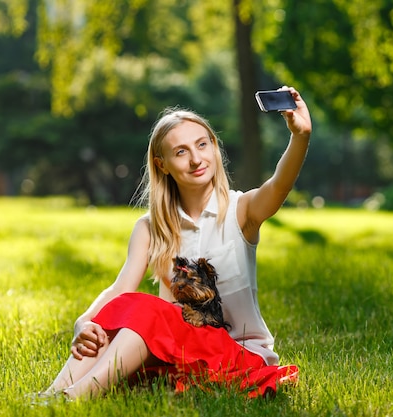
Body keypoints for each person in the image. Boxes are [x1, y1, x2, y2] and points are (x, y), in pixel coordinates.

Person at [43, 86, 312, 399]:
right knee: (122, 311)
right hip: (179, 353)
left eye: (202, 145)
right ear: (162, 165)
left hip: (238, 355)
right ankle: (52, 393)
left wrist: (300, 136)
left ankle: (75, 397)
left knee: (146, 308)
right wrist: (83, 322)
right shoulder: (149, 228)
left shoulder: (242, 211)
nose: (196, 159)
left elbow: (279, 186)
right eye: (181, 151)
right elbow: (120, 290)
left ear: (214, 147)